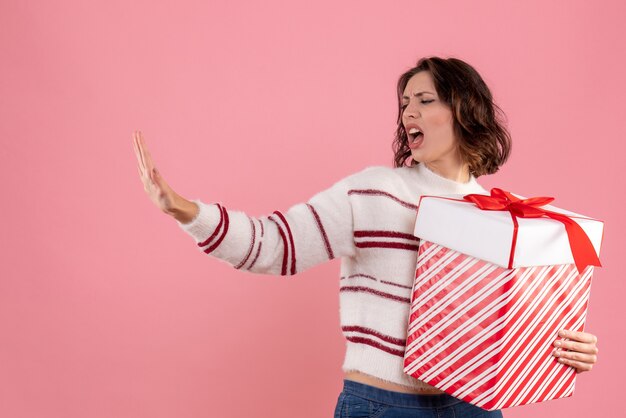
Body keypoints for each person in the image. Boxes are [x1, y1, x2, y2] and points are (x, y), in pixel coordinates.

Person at [133, 56, 599, 417]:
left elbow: (509, 325)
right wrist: (184, 209)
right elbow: (274, 245)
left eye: (424, 99)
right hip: (384, 404)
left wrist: (562, 348)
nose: (408, 112)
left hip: (473, 406)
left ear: (463, 109)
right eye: (404, 103)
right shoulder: (374, 191)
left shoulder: (502, 217)